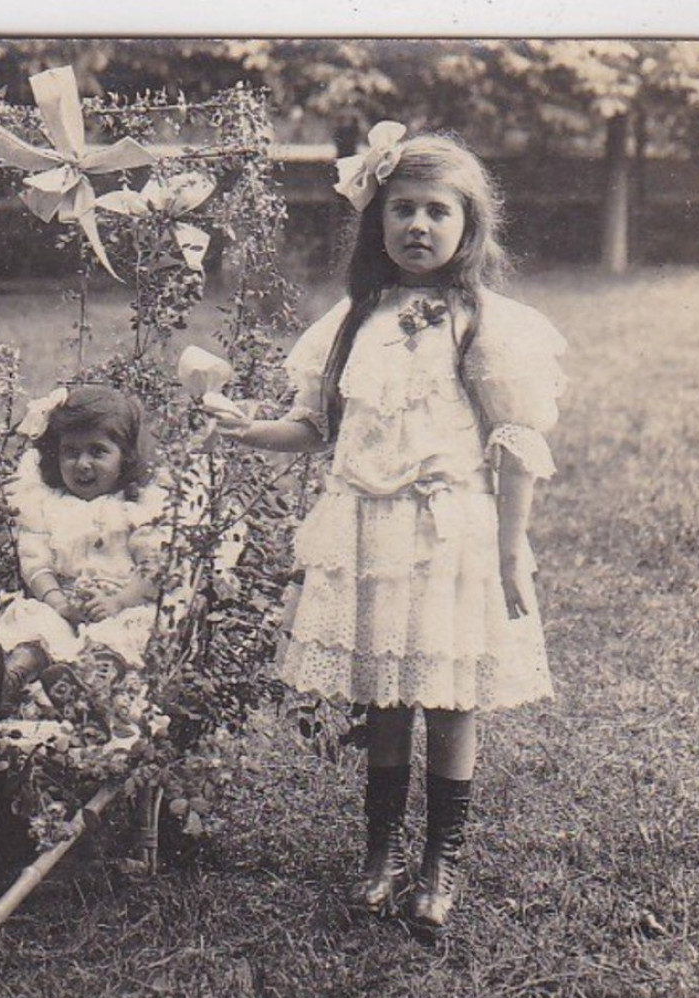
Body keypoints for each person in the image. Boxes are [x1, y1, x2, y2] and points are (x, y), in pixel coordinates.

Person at [207, 124, 566, 931]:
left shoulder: (484, 323)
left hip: (449, 531)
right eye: (400, 209)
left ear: (468, 226)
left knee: (445, 694)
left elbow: (514, 443)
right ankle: (382, 850)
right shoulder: (350, 322)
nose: (416, 226)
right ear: (374, 221)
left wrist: (510, 550)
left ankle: (443, 857)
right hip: (368, 525)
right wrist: (249, 429)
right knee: (383, 695)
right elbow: (314, 426)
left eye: (436, 211)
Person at [0, 385, 169, 722]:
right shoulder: (48, 506)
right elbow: (35, 564)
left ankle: (90, 693)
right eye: (71, 452)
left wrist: (118, 602)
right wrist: (57, 602)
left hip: (119, 604)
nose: (82, 464)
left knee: (119, 637)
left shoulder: (135, 507)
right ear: (55, 455)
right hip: (63, 604)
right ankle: (7, 680)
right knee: (36, 624)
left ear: (125, 457)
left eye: (98, 451)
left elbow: (154, 566)